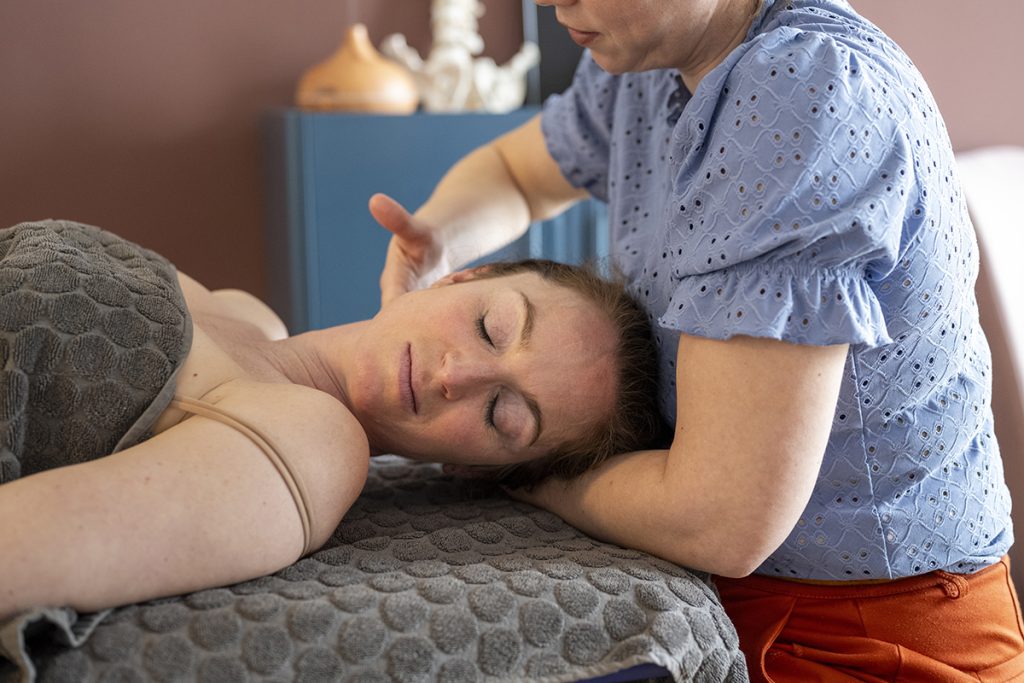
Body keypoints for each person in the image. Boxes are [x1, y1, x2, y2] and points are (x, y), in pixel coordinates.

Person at [369, 0, 1024, 678]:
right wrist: (440, 235)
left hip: (877, 635)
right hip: (728, 597)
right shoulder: (643, 59)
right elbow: (517, 174)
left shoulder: (797, 90)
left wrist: (524, 472)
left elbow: (722, 519)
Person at [0, 219, 663, 620]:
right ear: (458, 278)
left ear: (472, 468)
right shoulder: (245, 311)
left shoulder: (317, 444)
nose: (457, 376)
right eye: (493, 327)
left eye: (503, 414)